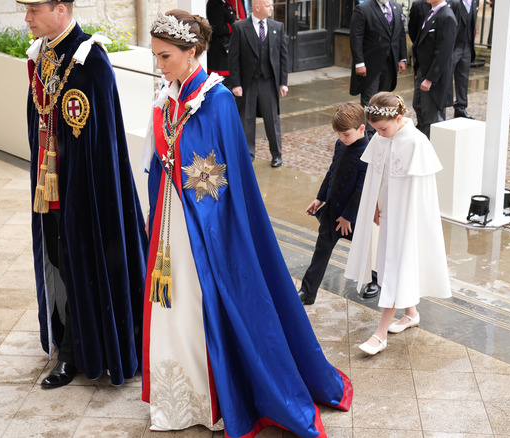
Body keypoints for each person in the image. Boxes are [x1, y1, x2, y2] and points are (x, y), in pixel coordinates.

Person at [142, 10, 353, 436]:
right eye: (156, 57)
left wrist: (201, 215)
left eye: (165, 57)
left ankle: (218, 395)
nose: (159, 66)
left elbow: (226, 179)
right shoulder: (168, 95)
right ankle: (180, 395)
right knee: (173, 304)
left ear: (191, 52)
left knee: (202, 303)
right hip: (172, 218)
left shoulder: (216, 100)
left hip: (206, 225)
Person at [20, 0, 148, 389]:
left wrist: (81, 194)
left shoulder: (90, 61)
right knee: (59, 265)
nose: (26, 19)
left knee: (82, 268)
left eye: (33, 10)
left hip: (86, 192)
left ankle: (76, 354)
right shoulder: (43, 54)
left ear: (60, 8)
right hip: (51, 188)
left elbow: (101, 145)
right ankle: (65, 339)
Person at [345, 92, 451, 355]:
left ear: (399, 118)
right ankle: (411, 314)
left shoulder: (417, 142)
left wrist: (408, 219)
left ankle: (380, 333)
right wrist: (375, 206)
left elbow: (422, 193)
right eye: (375, 130)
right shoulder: (383, 138)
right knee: (389, 264)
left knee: (394, 267)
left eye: (382, 128)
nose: (378, 134)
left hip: (406, 218)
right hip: (388, 214)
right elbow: (376, 177)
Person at [298, 103, 372, 305]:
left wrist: (348, 217)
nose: (341, 138)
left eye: (346, 134)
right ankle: (307, 291)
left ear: (361, 129)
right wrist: (319, 198)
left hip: (353, 217)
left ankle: (377, 280)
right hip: (332, 212)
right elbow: (331, 173)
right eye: (338, 134)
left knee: (369, 250)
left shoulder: (368, 152)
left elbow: (361, 189)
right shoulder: (341, 145)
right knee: (321, 251)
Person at [228, 0, 289, 167]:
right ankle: (248, 154)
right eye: (268, 5)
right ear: (257, 7)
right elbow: (233, 58)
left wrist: (283, 82)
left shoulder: (278, 27)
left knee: (272, 119)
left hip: (268, 82)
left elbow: (283, 57)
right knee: (246, 119)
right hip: (248, 83)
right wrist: (236, 84)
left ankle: (277, 155)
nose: (271, 8)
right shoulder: (240, 28)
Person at [348, 0, 408, 132]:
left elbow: (401, 34)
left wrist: (402, 58)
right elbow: (356, 37)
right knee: (370, 101)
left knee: (384, 100)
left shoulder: (396, 7)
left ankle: (381, 129)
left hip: (390, 63)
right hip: (370, 65)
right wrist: (359, 62)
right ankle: (368, 133)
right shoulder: (363, 9)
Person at [410, 0, 457, 138]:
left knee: (431, 117)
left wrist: (430, 78)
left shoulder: (447, 17)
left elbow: (444, 52)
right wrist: (418, 70)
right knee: (419, 107)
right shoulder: (431, 13)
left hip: (433, 78)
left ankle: (432, 149)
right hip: (422, 72)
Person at [448, 0, 478, 119]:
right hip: (453, 46)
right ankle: (441, 108)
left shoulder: (475, 2)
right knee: (446, 77)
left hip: (467, 46)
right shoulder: (453, 2)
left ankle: (461, 107)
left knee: (463, 78)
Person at [206, 0, 239, 85]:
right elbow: (219, 29)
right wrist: (236, 26)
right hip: (219, 49)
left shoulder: (224, 3)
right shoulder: (214, 4)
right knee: (223, 83)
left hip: (228, 46)